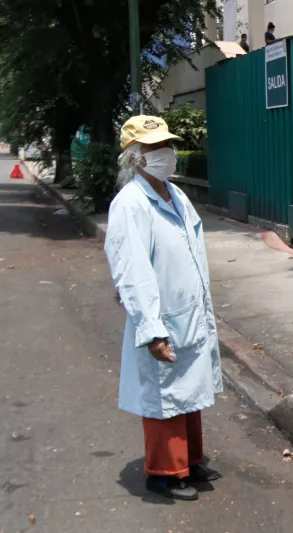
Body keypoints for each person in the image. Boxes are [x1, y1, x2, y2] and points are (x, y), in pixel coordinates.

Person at [104, 116, 222, 501]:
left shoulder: (176, 194)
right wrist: (151, 329)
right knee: (164, 394)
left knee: (190, 388)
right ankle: (165, 472)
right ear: (136, 158)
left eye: (166, 146)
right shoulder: (131, 204)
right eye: (155, 149)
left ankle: (189, 459)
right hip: (162, 316)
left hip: (188, 311)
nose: (166, 154)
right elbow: (132, 271)